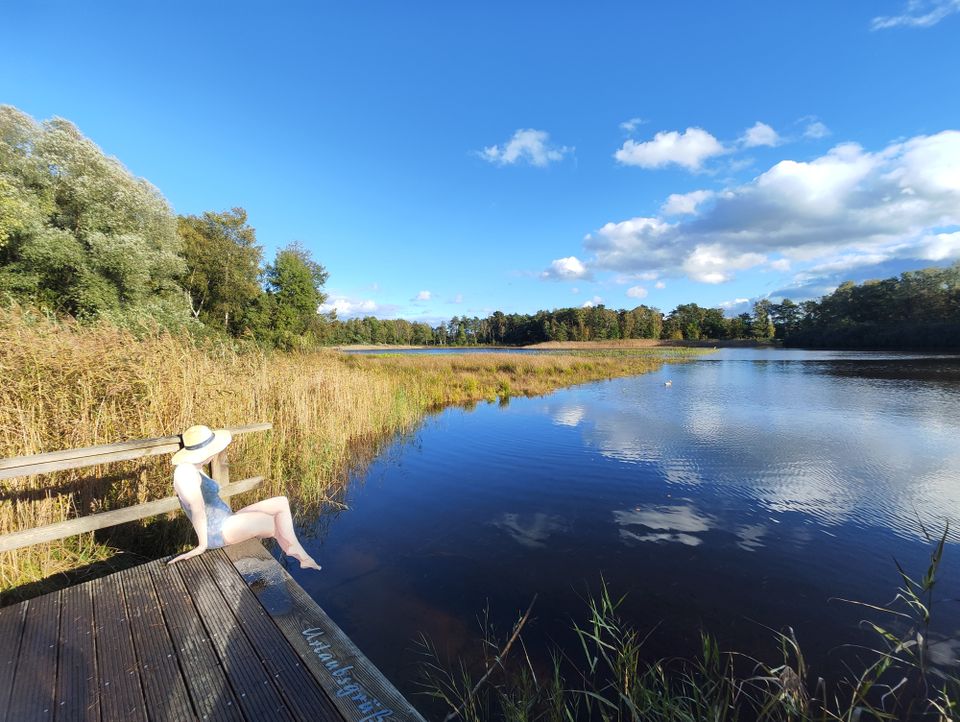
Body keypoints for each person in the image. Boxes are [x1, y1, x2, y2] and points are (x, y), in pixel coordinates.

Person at [168, 424, 321, 570]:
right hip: (218, 532)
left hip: (227, 519)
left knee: (281, 502)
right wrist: (201, 546)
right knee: (273, 524)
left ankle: (301, 556)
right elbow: (197, 509)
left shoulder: (195, 466)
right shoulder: (185, 473)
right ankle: (291, 559)